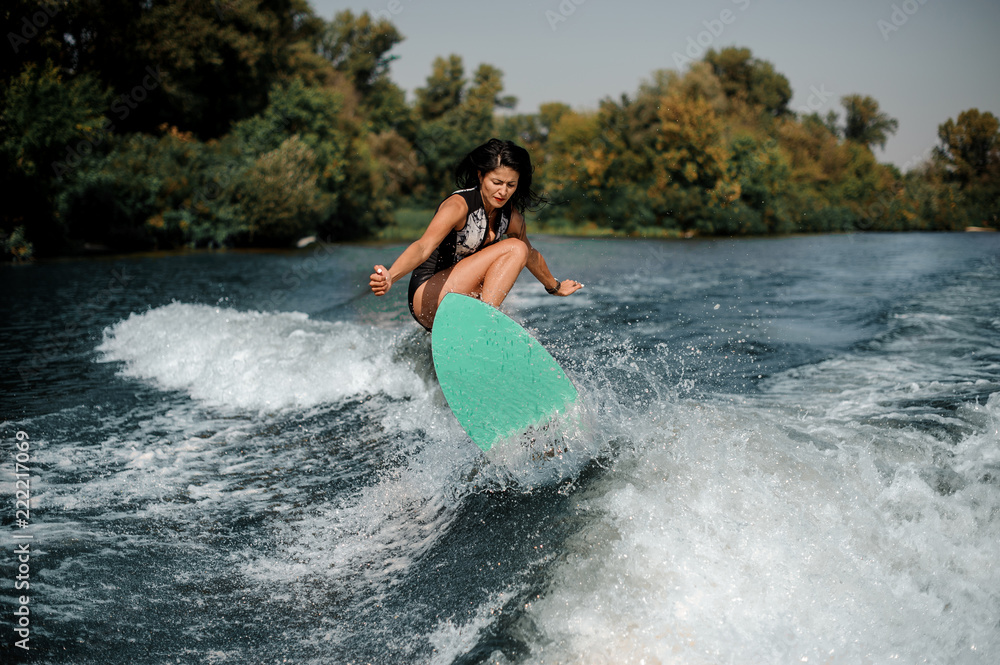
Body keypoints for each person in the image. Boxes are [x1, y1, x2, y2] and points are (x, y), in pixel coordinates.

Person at [369, 138, 582, 330]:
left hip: (460, 300)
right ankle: (483, 326)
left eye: (511, 185)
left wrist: (555, 287)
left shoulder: (512, 217)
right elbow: (423, 246)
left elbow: (530, 255)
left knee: (519, 252)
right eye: (496, 182)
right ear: (481, 176)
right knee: (515, 247)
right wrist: (391, 276)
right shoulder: (458, 206)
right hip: (428, 297)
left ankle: (481, 328)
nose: (503, 192)